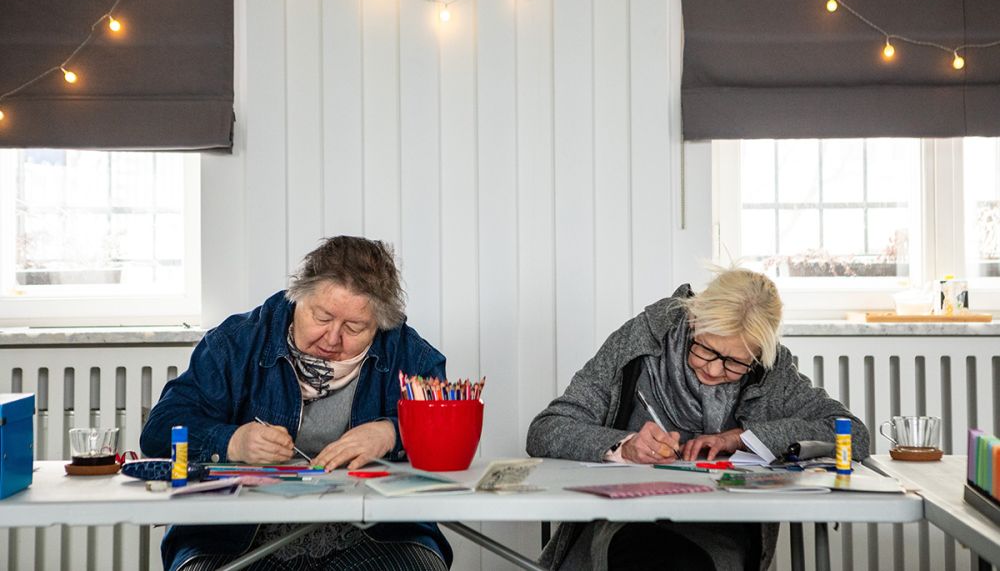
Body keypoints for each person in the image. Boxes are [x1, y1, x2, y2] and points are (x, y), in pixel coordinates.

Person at [526, 267, 870, 571]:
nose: (715, 370)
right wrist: (624, 446)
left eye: (735, 363)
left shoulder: (771, 372)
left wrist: (745, 437)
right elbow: (546, 429)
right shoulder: (641, 341)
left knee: (683, 562)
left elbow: (853, 434)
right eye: (706, 349)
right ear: (693, 322)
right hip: (623, 521)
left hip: (720, 529)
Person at [141, 236, 452, 571]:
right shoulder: (235, 342)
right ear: (297, 297)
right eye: (322, 317)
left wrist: (393, 432)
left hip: (373, 536)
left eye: (354, 327)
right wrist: (232, 441)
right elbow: (159, 431)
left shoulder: (411, 355)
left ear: (380, 324)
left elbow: (449, 440)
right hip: (236, 536)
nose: (332, 338)